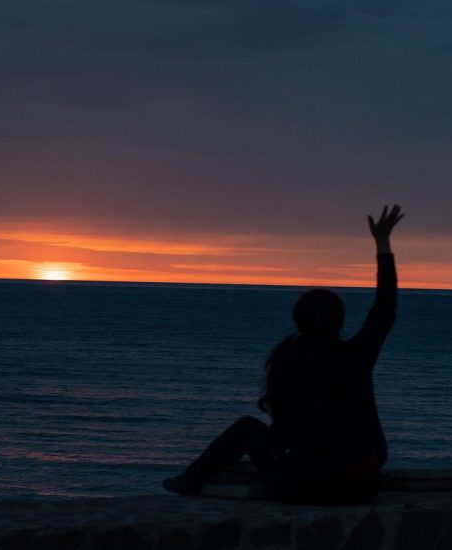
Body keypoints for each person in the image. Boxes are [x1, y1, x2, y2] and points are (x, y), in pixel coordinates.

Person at [163, 205, 403, 504]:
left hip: (299, 487)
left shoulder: (288, 360)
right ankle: (189, 480)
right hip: (359, 486)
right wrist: (383, 245)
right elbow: (384, 311)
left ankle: (189, 481)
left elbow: (281, 433)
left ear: (297, 319)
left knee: (246, 428)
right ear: (339, 321)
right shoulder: (356, 355)